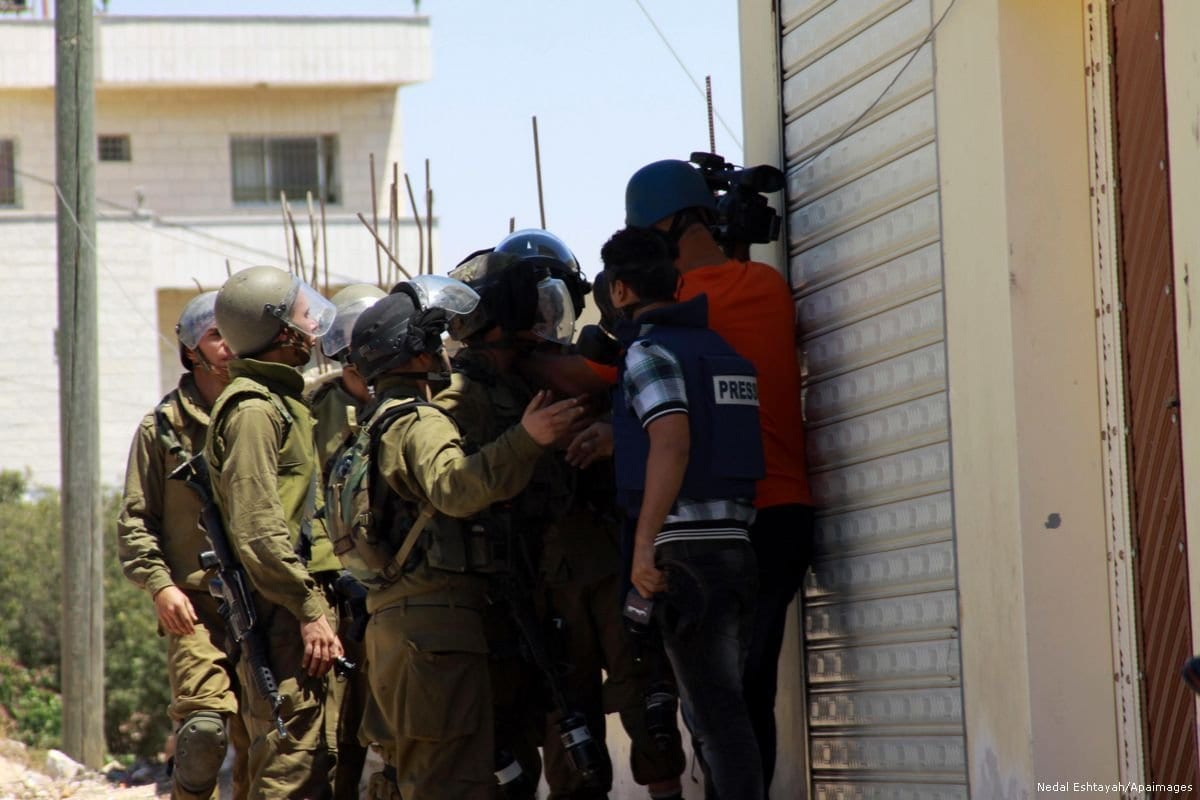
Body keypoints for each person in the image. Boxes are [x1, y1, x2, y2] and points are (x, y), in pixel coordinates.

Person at [446, 234, 687, 800]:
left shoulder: (578, 365)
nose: (547, 317)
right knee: (566, 726)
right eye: (538, 303)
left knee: (647, 701)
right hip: (537, 577)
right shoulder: (477, 387)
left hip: (606, 555)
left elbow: (619, 398)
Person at [328, 276, 583, 800]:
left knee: (405, 778)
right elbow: (455, 487)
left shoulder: (373, 423)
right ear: (416, 353)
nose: (442, 349)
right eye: (433, 340)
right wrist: (526, 440)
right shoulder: (419, 420)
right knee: (451, 783)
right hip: (436, 631)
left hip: (391, 629)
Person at [626, 158, 816, 790]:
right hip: (787, 517)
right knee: (747, 693)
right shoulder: (765, 286)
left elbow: (633, 382)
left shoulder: (678, 311)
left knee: (716, 706)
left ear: (666, 228)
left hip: (726, 527)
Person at [602, 226, 764, 799]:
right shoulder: (722, 351)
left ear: (619, 291)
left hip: (689, 559)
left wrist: (645, 547)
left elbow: (672, 443)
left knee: (718, 723)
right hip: (739, 551)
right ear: (675, 282)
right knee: (724, 715)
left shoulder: (650, 351)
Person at [203, 265, 345, 799]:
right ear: (279, 331)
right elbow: (260, 533)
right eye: (300, 314)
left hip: (295, 610)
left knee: (318, 761)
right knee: (292, 769)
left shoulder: (281, 401)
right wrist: (308, 607)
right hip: (282, 616)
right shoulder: (254, 410)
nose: (311, 324)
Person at [117, 291, 251, 800]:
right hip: (196, 608)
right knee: (202, 735)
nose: (229, 346)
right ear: (192, 350)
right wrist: (159, 586)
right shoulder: (160, 429)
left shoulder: (264, 414)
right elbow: (134, 521)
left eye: (234, 333)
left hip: (269, 601)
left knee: (272, 750)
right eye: (217, 334)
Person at [310, 282, 386, 800]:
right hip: (338, 594)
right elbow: (302, 500)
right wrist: (332, 575)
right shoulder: (312, 409)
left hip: (402, 585)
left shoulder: (420, 398)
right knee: (339, 739)